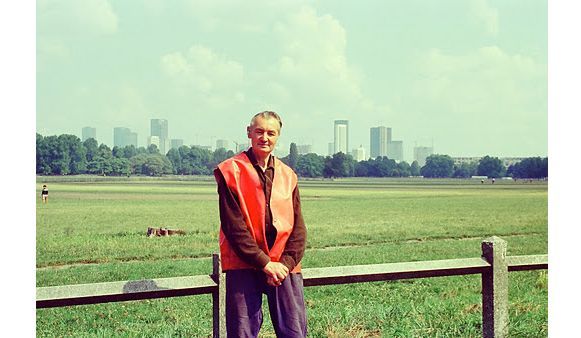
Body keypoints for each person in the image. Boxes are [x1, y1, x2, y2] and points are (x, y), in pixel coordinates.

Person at [214, 111, 307, 338]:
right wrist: (265, 263)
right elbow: (233, 227)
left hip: (284, 267)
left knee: (294, 332)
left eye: (271, 133)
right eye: (259, 131)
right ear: (249, 133)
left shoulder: (288, 175)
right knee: (242, 333)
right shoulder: (230, 171)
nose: (264, 137)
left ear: (278, 137)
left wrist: (283, 264)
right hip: (243, 264)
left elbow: (298, 229)